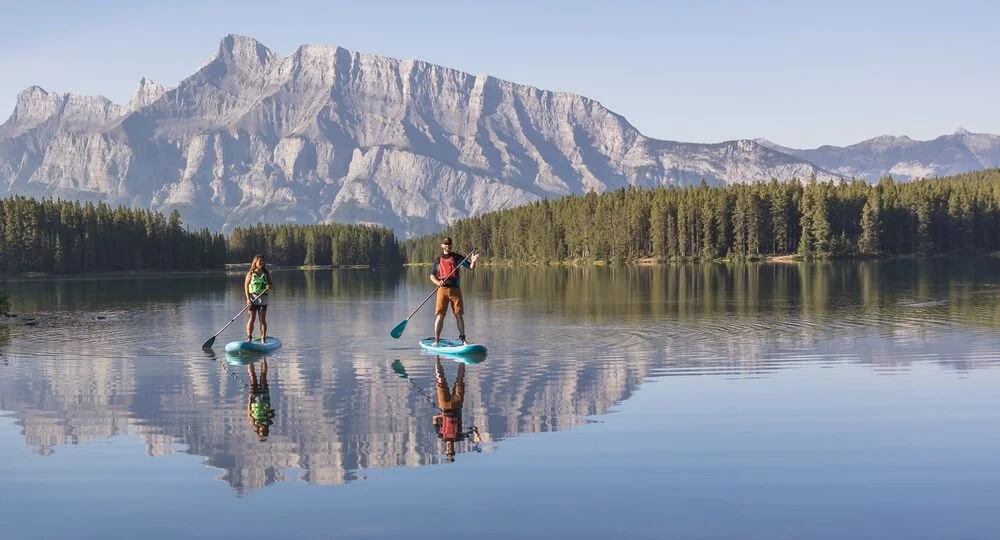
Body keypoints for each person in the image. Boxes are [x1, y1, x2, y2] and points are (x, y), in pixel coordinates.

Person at [430, 237, 480, 346]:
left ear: (451, 245)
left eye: (449, 244)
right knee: (440, 315)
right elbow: (432, 276)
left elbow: (471, 267)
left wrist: (473, 261)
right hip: (442, 290)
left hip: (455, 290)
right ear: (442, 246)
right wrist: (438, 282)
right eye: (445, 244)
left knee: (459, 315)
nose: (447, 245)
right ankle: (436, 340)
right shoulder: (438, 260)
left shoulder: (457, 257)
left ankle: (463, 340)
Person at [431, 356, 480, 461]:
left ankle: (437, 359)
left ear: (446, 450)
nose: (450, 449)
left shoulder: (441, 435)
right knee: (460, 379)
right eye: (451, 451)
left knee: (440, 380)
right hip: (457, 406)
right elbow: (473, 431)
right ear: (454, 450)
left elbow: (434, 419)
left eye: (448, 451)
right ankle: (462, 360)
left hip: (444, 406)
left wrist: (441, 416)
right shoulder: (459, 437)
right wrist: (476, 435)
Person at [244, 254, 272, 343]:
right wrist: (248, 299)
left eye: (263, 261)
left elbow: (271, 284)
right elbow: (246, 286)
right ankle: (249, 338)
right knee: (251, 318)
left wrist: (269, 286)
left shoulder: (266, 273)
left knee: (262, 319)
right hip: (252, 298)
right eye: (260, 261)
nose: (262, 263)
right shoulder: (250, 273)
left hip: (263, 299)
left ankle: (263, 339)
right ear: (255, 262)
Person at [247, 359, 276, 442]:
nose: (262, 429)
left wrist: (249, 398)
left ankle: (250, 360)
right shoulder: (269, 422)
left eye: (261, 431)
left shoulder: (254, 422)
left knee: (252, 377)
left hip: (254, 399)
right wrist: (270, 413)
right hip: (265, 398)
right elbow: (273, 411)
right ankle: (264, 359)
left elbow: (249, 411)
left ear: (259, 430)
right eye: (264, 431)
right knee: (263, 376)